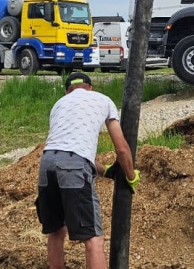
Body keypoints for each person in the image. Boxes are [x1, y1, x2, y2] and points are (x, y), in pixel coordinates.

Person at [36, 72, 140, 269]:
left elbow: (65, 152)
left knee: (56, 232)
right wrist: (131, 175)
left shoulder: (59, 105)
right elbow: (122, 148)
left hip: (46, 163)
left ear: (68, 91)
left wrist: (105, 170)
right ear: (90, 88)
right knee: (93, 240)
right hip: (73, 164)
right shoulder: (103, 100)